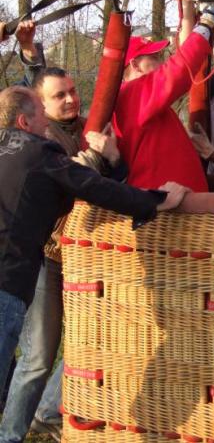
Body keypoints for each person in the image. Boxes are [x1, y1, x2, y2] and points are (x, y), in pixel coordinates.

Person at [0, 87, 187, 407]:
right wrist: (156, 201)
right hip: (7, 281)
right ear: (23, 122)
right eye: (41, 113)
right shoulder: (39, 153)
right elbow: (94, 187)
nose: (46, 121)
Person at [0, 24, 127, 443]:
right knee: (38, 355)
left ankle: (44, 411)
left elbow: (110, 182)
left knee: (84, 342)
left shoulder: (83, 128)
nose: (71, 99)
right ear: (40, 107)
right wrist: (98, 157)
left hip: (79, 255)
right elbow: (72, 178)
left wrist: (112, 159)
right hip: (46, 257)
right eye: (60, 96)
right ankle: (12, 432)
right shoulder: (40, 139)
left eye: (73, 91)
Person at [113, 0, 214, 191]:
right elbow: (179, 70)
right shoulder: (134, 93)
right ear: (134, 65)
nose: (161, 62)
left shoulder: (138, 98)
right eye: (154, 57)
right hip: (166, 204)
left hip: (172, 200)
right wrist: (207, 23)